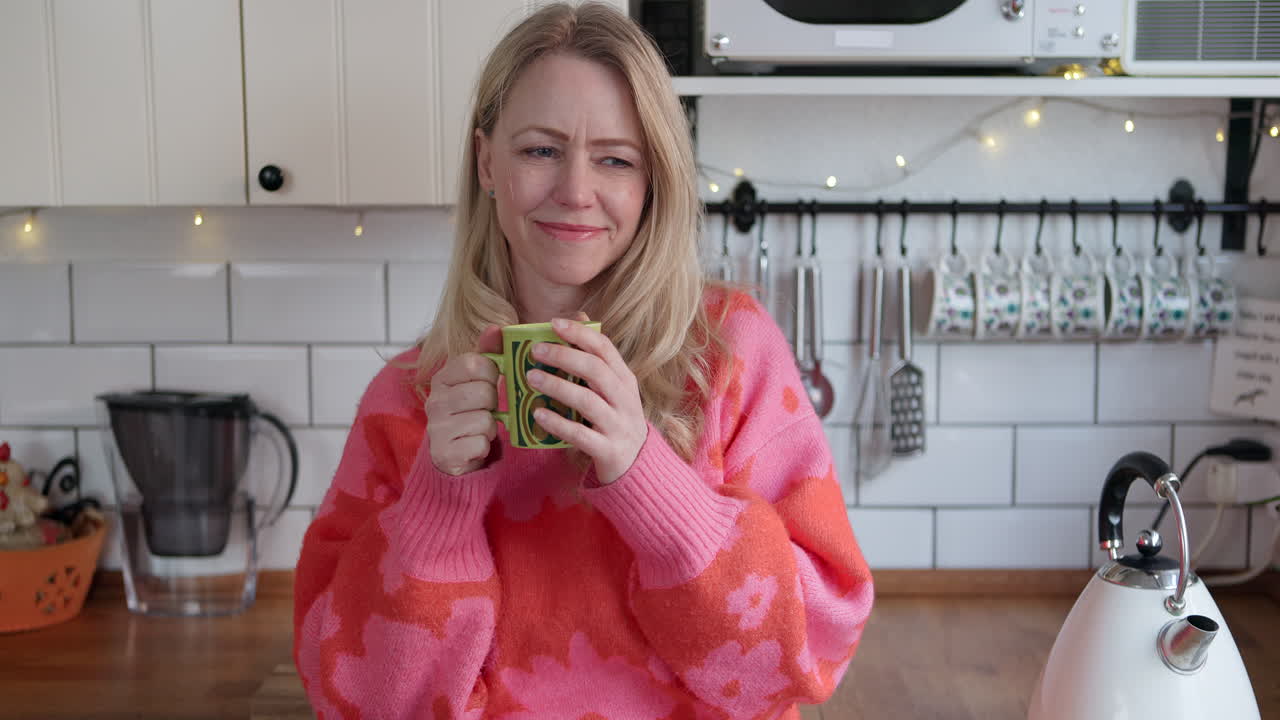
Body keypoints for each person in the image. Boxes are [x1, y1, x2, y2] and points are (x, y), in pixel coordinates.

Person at [293, 3, 873, 718]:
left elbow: (809, 653)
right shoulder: (410, 400)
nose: (575, 190)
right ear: (487, 163)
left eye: (615, 158)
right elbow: (354, 698)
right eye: (540, 150)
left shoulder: (732, 355)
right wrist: (436, 507)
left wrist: (647, 475)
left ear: (651, 179)